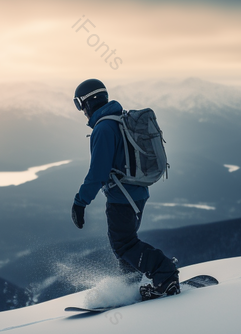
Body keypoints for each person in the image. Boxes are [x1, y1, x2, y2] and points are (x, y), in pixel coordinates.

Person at [70, 78, 180, 300]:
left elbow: (98, 173)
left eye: (80, 104)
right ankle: (128, 286)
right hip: (136, 192)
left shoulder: (103, 128)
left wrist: (80, 202)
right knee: (124, 243)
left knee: (123, 244)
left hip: (122, 198)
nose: (81, 111)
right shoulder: (118, 119)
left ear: (89, 102)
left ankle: (165, 273)